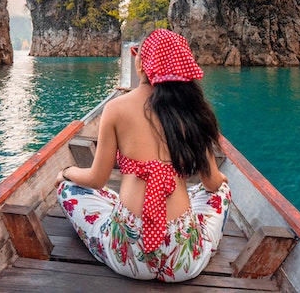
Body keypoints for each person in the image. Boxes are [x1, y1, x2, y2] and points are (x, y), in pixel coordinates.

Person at [56, 28, 231, 282]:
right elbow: (212, 183)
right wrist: (224, 182)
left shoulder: (115, 108)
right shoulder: (195, 112)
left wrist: (66, 173)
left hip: (128, 252)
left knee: (67, 191)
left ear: (141, 62)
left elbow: (96, 180)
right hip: (180, 260)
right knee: (220, 193)